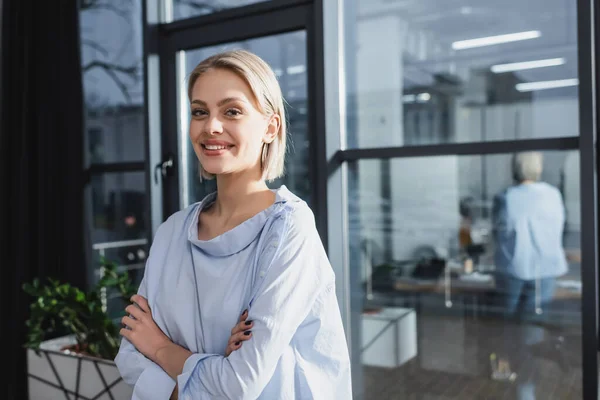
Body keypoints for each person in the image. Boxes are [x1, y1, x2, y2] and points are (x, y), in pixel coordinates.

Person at [114, 49, 352, 400]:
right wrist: (214, 366)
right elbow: (130, 358)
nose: (211, 126)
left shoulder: (288, 227)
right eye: (199, 112)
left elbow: (239, 384)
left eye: (232, 111)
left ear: (270, 127)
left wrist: (162, 349)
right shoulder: (172, 232)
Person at [492, 151, 568, 318]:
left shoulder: (505, 197)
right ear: (538, 167)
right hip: (546, 268)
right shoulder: (553, 194)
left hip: (513, 267)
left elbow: (497, 232)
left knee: (506, 328)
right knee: (535, 327)